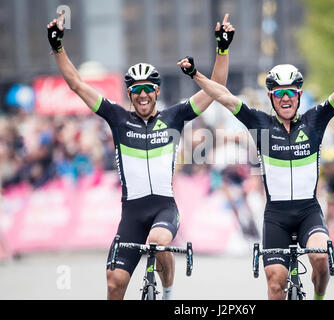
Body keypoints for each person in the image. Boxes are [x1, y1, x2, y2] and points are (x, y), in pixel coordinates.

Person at [47, 12, 235, 300]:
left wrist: (222, 49)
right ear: (130, 93)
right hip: (132, 214)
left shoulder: (175, 116)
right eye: (137, 90)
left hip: (163, 208)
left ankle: (169, 293)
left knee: (158, 242)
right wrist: (58, 47)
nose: (143, 94)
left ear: (157, 91)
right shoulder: (117, 118)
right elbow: (77, 84)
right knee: (113, 283)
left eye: (149, 89)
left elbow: (217, 88)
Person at [178, 45, 334, 300]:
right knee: (275, 284)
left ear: (299, 95)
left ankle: (318, 296)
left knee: (321, 258)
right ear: (271, 96)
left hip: (308, 212)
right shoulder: (260, 123)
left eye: (291, 93)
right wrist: (195, 74)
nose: (285, 98)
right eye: (279, 93)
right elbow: (224, 96)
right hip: (276, 217)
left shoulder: (315, 120)